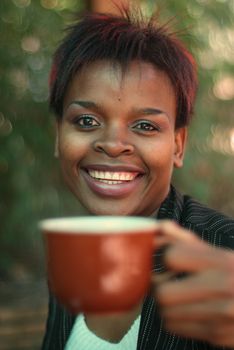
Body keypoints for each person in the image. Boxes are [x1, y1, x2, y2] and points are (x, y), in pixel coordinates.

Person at [41, 5, 234, 350]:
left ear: (178, 145)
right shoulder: (69, 256)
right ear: (58, 136)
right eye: (86, 121)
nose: (114, 145)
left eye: (145, 126)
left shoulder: (224, 254)